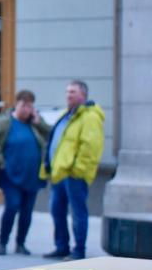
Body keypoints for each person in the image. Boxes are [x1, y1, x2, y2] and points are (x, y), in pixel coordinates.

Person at [41, 80, 105, 260]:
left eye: (73, 92)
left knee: (78, 213)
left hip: (74, 175)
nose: (68, 95)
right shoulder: (67, 114)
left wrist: (77, 170)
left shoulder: (90, 117)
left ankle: (79, 250)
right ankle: (62, 246)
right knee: (57, 211)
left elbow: (90, 147)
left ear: (83, 95)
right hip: (59, 173)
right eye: (67, 91)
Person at [0, 89, 50, 256]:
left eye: (30, 106)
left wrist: (38, 121)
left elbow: (51, 134)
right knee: (12, 206)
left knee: (27, 211)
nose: (26, 109)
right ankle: (3, 242)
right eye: (23, 105)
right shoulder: (5, 121)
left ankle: (21, 243)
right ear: (17, 104)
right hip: (10, 174)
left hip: (32, 175)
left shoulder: (34, 123)